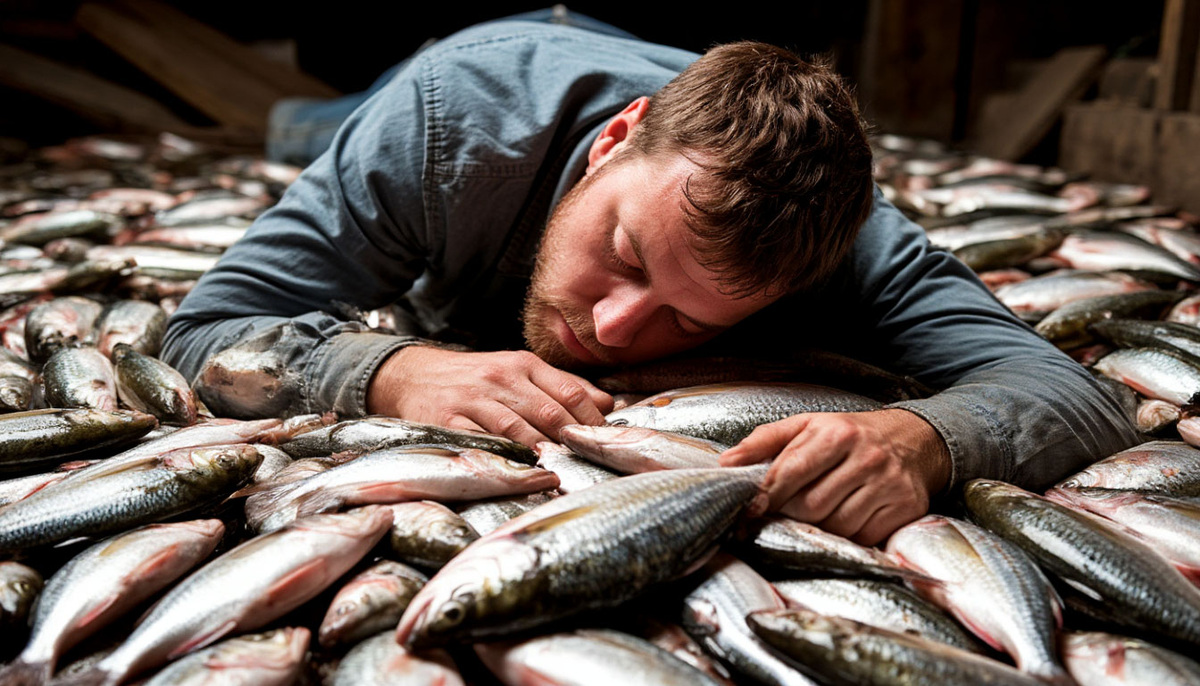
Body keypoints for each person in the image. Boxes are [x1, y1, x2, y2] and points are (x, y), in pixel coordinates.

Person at [161, 12, 1140, 545]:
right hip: (482, 57)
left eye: (690, 318)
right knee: (312, 126)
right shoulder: (450, 119)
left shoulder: (852, 250)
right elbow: (208, 327)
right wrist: (395, 369)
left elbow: (1073, 391)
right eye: (627, 255)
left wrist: (923, 439)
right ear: (615, 142)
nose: (616, 329)